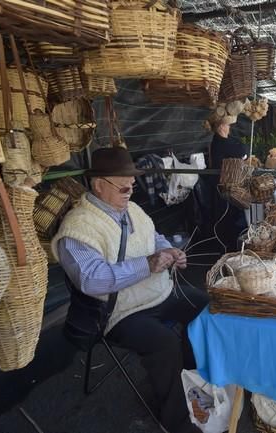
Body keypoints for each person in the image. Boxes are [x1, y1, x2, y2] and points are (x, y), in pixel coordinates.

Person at [53, 147, 209, 433]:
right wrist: (146, 265)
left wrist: (170, 252)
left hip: (159, 292)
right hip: (121, 312)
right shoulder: (77, 229)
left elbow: (155, 237)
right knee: (163, 343)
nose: (130, 190)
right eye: (123, 185)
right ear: (98, 185)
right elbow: (92, 280)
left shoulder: (132, 208)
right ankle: (178, 421)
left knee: (206, 308)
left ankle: (187, 378)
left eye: (132, 184)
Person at [207, 118, 248, 252]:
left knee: (233, 216)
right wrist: (243, 154)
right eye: (227, 125)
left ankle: (234, 244)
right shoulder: (219, 142)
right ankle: (230, 248)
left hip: (228, 185)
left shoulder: (225, 140)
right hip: (224, 186)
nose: (229, 127)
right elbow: (242, 151)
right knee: (229, 218)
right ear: (220, 127)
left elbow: (242, 149)